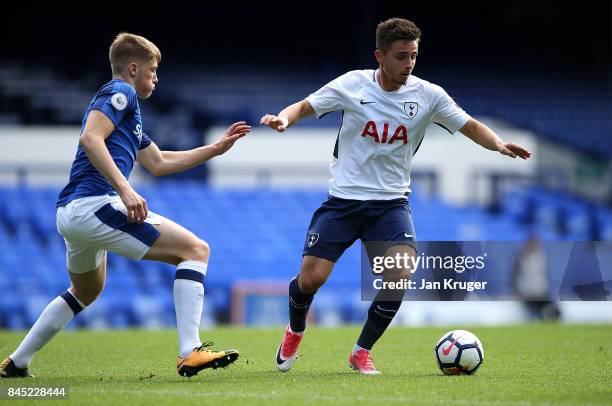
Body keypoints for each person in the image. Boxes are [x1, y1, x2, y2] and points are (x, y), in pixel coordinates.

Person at [261, 17, 531, 375]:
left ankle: (361, 352)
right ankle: (295, 330)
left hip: (391, 204)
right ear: (380, 56)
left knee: (400, 274)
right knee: (310, 279)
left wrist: (497, 144)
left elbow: (469, 125)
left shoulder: (428, 95)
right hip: (343, 201)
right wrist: (284, 119)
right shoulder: (352, 84)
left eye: (414, 56)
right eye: (401, 57)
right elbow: (304, 106)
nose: (409, 65)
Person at [0, 33, 250, 378]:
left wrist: (215, 149)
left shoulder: (129, 118)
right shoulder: (122, 92)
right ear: (134, 68)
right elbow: (90, 138)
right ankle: (190, 351)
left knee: (87, 289)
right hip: (94, 204)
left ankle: (17, 362)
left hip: (72, 212)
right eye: (153, 69)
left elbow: (160, 162)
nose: (156, 78)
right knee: (196, 250)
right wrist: (126, 190)